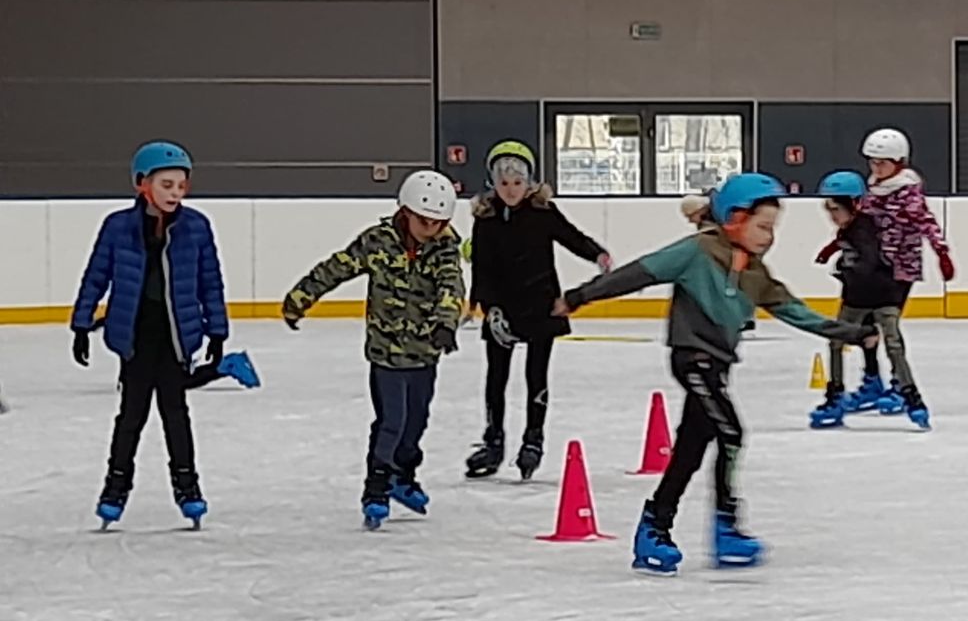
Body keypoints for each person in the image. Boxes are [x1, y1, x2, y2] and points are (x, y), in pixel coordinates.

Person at [557, 173, 874, 573]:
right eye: (762, 227)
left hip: (717, 365)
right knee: (730, 431)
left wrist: (854, 333)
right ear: (734, 219)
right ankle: (726, 525)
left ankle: (655, 527)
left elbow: (798, 313)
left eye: (772, 229)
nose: (768, 237)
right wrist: (579, 296)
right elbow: (638, 273)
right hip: (692, 359)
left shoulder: (755, 274)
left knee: (690, 449)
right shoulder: (696, 251)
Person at [282, 170, 467, 529]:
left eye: (438, 223)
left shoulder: (444, 247)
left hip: (424, 353)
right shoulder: (377, 242)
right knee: (391, 422)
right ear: (406, 212)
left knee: (416, 423)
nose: (431, 229)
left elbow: (451, 285)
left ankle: (403, 475)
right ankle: (377, 487)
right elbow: (337, 267)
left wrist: (446, 324)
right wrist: (301, 297)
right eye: (424, 221)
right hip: (385, 354)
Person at [70, 141, 237, 528]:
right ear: (142, 184)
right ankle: (115, 488)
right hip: (135, 335)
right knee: (131, 415)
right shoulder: (118, 227)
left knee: (175, 414)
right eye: (166, 185)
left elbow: (210, 282)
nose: (175, 193)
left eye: (181, 186)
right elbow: (96, 276)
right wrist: (81, 324)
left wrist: (217, 330)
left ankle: (188, 488)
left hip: (176, 335)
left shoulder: (196, 226)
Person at [463, 139, 610, 480]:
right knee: (496, 378)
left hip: (542, 306)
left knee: (536, 376)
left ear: (529, 182)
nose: (511, 190)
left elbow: (571, 236)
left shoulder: (543, 212)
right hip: (502, 309)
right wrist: (482, 305)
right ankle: (494, 441)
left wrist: (597, 254)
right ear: (492, 184)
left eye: (517, 183)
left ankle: (533, 440)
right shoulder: (485, 219)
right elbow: (482, 266)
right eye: (503, 183)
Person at [857, 127, 954, 427]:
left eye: (882, 162)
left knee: (888, 328)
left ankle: (900, 385)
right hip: (872, 267)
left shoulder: (907, 192)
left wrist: (942, 252)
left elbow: (927, 223)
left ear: (898, 162)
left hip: (900, 269)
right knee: (864, 326)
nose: (876, 168)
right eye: (872, 162)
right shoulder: (872, 188)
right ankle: (872, 380)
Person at [810, 170, 899, 428]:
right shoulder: (852, 227)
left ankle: (898, 388)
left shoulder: (866, 229)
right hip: (862, 291)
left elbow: (869, 260)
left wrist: (847, 271)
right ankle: (873, 382)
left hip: (876, 291)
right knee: (868, 334)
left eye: (834, 208)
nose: (830, 215)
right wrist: (831, 253)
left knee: (875, 336)